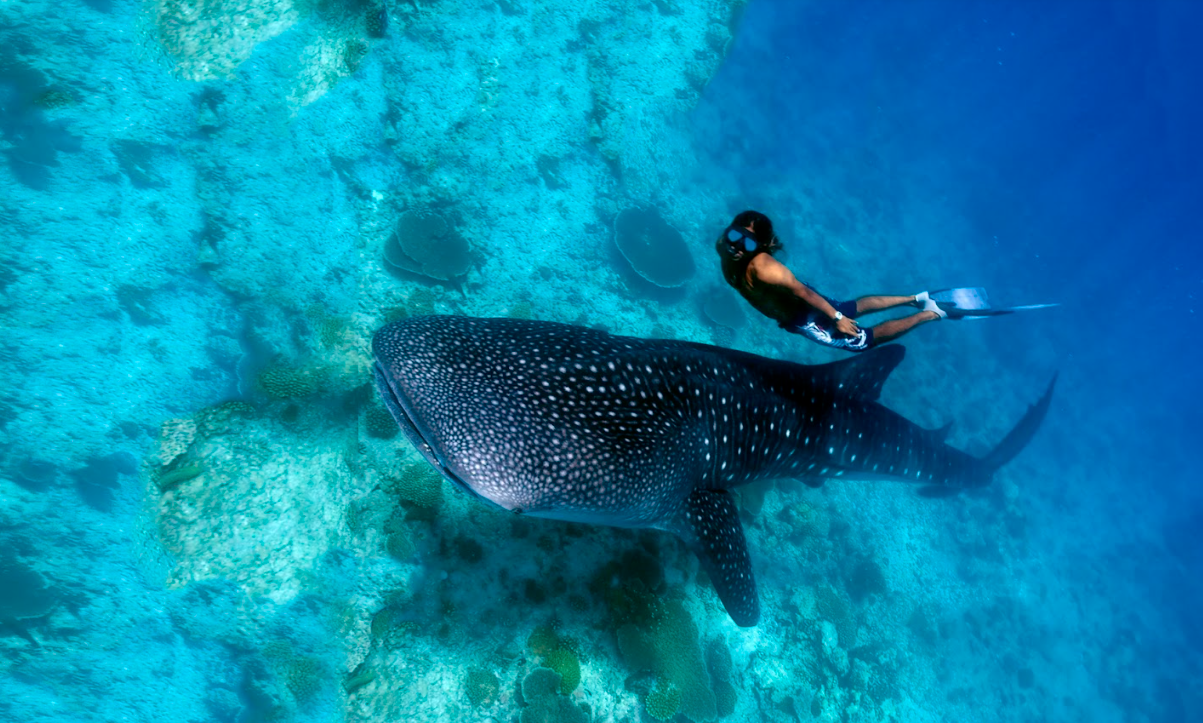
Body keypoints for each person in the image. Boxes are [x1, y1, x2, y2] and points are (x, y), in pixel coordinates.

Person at [716, 210, 953, 352]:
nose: (736, 245)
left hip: (805, 314)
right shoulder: (723, 246)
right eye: (735, 235)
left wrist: (836, 319)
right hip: (799, 306)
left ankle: (930, 313)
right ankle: (916, 299)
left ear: (761, 246)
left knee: (863, 342)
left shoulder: (766, 269)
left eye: (747, 242)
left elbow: (803, 293)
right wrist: (837, 313)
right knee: (851, 307)